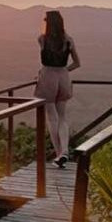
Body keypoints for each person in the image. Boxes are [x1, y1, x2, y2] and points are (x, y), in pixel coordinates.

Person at [34, 10, 81, 168]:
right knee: (62, 117)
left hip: (47, 76)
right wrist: (64, 71)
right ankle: (65, 151)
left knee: (52, 118)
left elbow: (44, 60)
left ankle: (59, 153)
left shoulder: (42, 39)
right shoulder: (69, 40)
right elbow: (77, 63)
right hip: (63, 77)